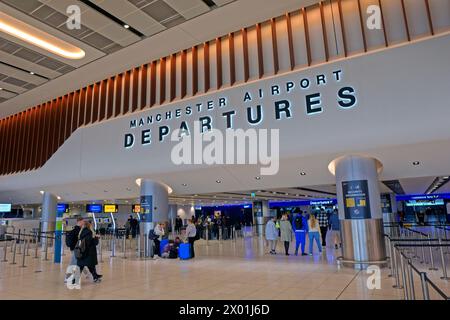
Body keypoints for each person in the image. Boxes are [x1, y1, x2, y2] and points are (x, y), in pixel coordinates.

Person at [64, 217, 84, 283]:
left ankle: (76, 277)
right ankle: (67, 278)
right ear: (80, 222)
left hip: (75, 249)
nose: (83, 223)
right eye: (83, 221)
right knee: (73, 263)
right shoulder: (78, 230)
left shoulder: (74, 229)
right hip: (76, 249)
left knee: (78, 263)